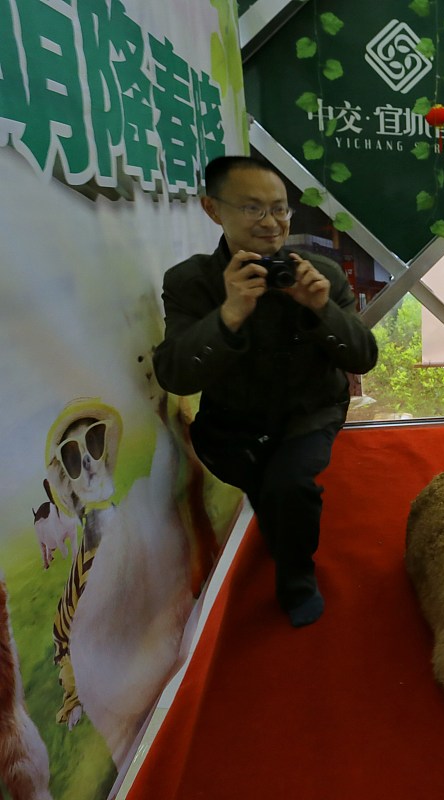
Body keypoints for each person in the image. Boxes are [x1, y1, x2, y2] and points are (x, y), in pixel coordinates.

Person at [153, 155, 378, 625]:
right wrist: (230, 312)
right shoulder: (190, 282)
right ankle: (282, 527)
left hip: (311, 410)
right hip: (232, 424)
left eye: (279, 208)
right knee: (275, 494)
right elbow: (176, 375)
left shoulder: (321, 274)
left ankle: (296, 580)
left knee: (290, 484)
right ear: (213, 209)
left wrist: (321, 310)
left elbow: (362, 358)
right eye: (253, 208)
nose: (271, 222)